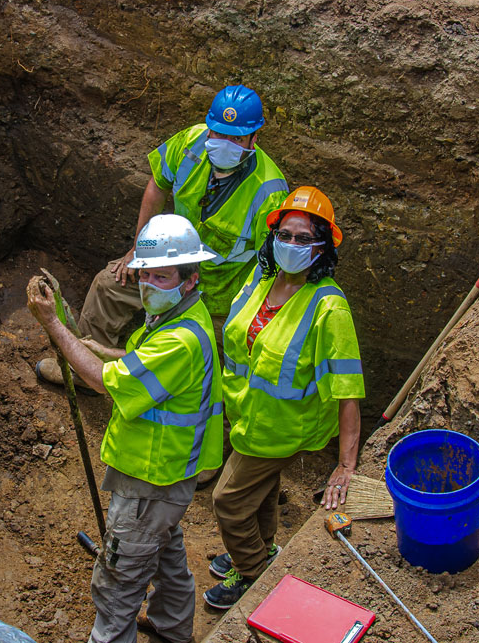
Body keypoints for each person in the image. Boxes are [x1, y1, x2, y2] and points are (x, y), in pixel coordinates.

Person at [26, 214, 224, 643]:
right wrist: (107, 350)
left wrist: (54, 325)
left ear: (189, 278)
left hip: (149, 481)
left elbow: (100, 382)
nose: (149, 283)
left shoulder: (180, 340)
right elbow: (147, 368)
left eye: (162, 275)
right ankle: (171, 627)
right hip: (169, 477)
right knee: (167, 558)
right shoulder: (185, 314)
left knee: (117, 585)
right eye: (145, 273)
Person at [35, 84, 290, 389]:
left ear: (253, 139)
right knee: (109, 285)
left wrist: (248, 312)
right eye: (218, 133)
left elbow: (273, 265)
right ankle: (88, 373)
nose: (224, 143)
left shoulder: (269, 191)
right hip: (167, 265)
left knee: (212, 355)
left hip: (219, 297)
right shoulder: (191, 143)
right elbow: (158, 184)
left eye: (235, 138)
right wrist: (138, 249)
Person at [204, 186, 364, 610]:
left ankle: (254, 571)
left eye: (303, 239)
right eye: (285, 235)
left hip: (283, 427)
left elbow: (348, 391)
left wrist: (346, 465)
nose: (291, 245)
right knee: (260, 490)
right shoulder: (262, 280)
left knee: (229, 501)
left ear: (322, 248)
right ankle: (264, 548)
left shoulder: (329, 308)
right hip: (246, 415)